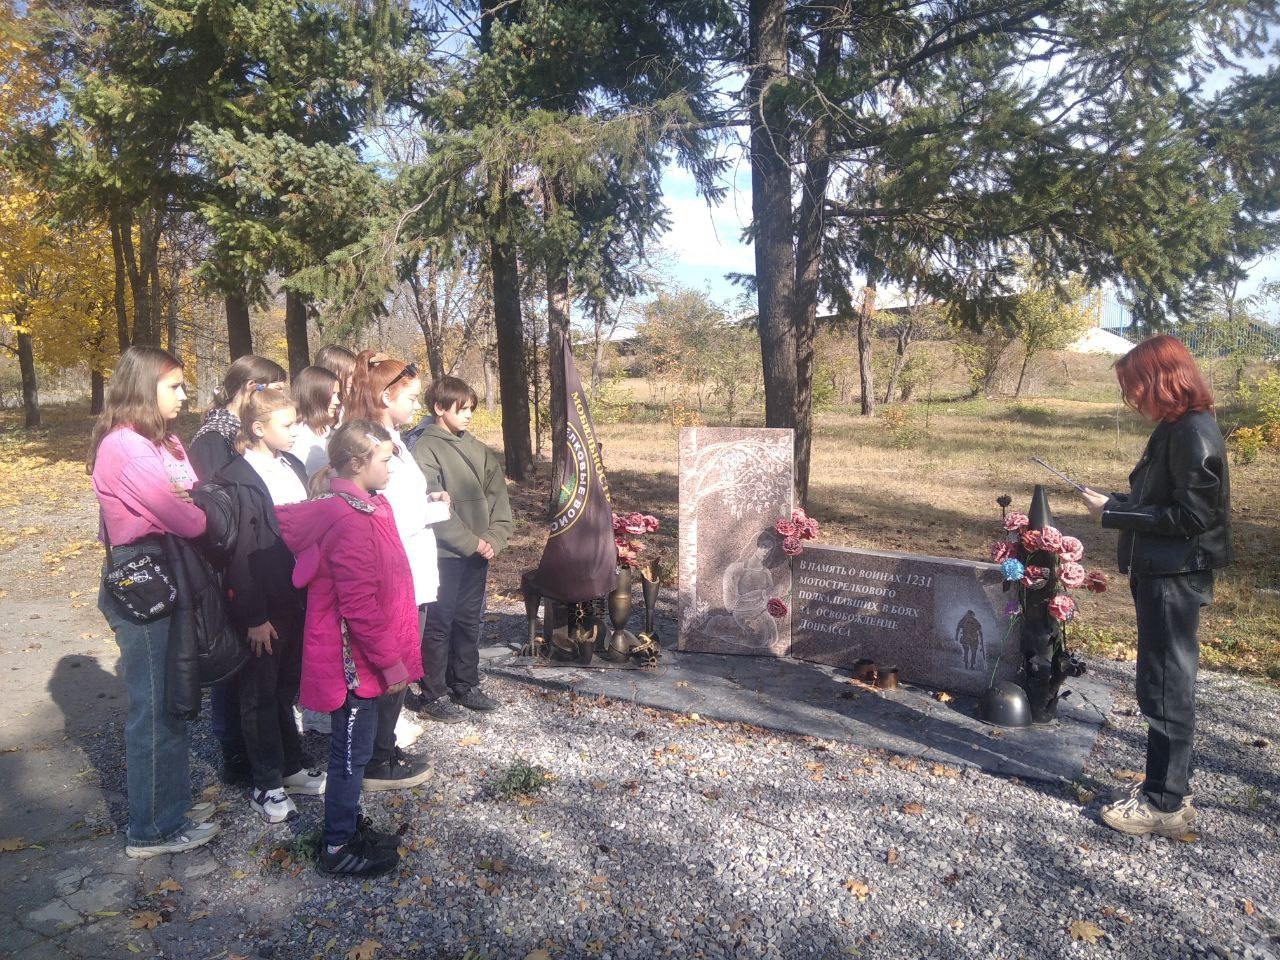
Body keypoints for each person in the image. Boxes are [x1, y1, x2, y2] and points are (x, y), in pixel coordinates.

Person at [1080, 334, 1232, 838]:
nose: (1132, 398)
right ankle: (1169, 792)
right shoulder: (1175, 428)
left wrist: (1116, 513)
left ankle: (1164, 803)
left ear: (1161, 380)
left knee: (1165, 686)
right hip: (1161, 572)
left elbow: (1191, 516)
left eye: (1136, 386)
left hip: (1175, 576)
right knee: (1161, 682)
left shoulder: (1194, 431)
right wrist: (1115, 501)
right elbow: (1163, 499)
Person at [89, 346, 220, 857]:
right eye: (175, 387)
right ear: (145, 387)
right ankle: (153, 828)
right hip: (143, 578)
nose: (184, 397)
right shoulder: (124, 446)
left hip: (166, 568)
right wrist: (187, 505)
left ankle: (173, 802)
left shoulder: (159, 440)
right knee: (156, 705)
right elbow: (191, 515)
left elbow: (195, 490)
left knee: (176, 693)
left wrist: (187, 494)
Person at [276, 420, 422, 877]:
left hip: (368, 655)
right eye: (384, 459)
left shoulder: (370, 505)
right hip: (353, 663)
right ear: (357, 464)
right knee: (348, 755)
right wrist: (390, 660)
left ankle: (349, 823)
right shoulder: (346, 517)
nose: (392, 467)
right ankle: (337, 843)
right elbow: (357, 604)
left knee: (355, 754)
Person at [213, 387, 326, 823]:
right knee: (258, 694)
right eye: (287, 424)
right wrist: (254, 616)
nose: (296, 431)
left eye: (297, 422)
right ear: (258, 429)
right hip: (263, 603)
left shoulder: (292, 464)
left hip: (298, 594)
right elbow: (239, 555)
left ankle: (291, 765)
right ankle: (266, 783)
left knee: (284, 689)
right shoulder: (237, 478)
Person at [344, 352, 446, 782]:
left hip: (413, 567)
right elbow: (385, 516)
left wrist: (426, 505)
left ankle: (384, 747)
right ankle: (374, 756)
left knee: (403, 663)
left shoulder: (397, 438)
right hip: (396, 570)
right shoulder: (371, 443)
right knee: (391, 666)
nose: (416, 407)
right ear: (386, 396)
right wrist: (433, 511)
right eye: (410, 397)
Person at [189, 354, 288, 786]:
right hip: (232, 575)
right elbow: (225, 522)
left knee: (257, 677)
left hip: (259, 577)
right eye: (273, 389)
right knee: (237, 673)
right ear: (252, 390)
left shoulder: (237, 433)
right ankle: (235, 755)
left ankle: (260, 752)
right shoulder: (214, 441)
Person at [413, 376, 512, 720]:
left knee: (469, 621)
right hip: (444, 554)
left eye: (472, 408)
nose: (470, 415)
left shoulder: (477, 448)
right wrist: (471, 542)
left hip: (478, 552)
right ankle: (433, 692)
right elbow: (433, 507)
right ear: (439, 408)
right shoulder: (424, 448)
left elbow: (499, 498)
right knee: (439, 623)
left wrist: (494, 539)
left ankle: (465, 684)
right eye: (463, 408)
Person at [291, 365, 341, 478]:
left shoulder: (331, 434)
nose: (337, 401)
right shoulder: (295, 438)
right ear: (315, 396)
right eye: (332, 394)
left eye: (337, 394)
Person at [314, 345, 356, 420]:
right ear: (329, 373)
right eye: (349, 374)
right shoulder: (309, 417)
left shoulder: (350, 409)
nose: (353, 380)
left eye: (355, 374)